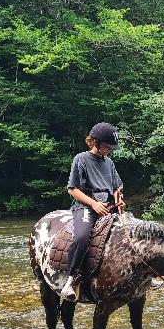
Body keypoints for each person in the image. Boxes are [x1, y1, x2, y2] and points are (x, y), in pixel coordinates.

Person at [60, 122, 126, 300]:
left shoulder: (109, 163)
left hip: (108, 206)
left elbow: (117, 186)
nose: (109, 150)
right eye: (106, 146)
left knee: (131, 230)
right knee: (82, 237)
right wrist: (94, 204)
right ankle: (71, 279)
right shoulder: (81, 159)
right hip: (85, 206)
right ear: (95, 142)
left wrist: (118, 200)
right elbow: (72, 189)